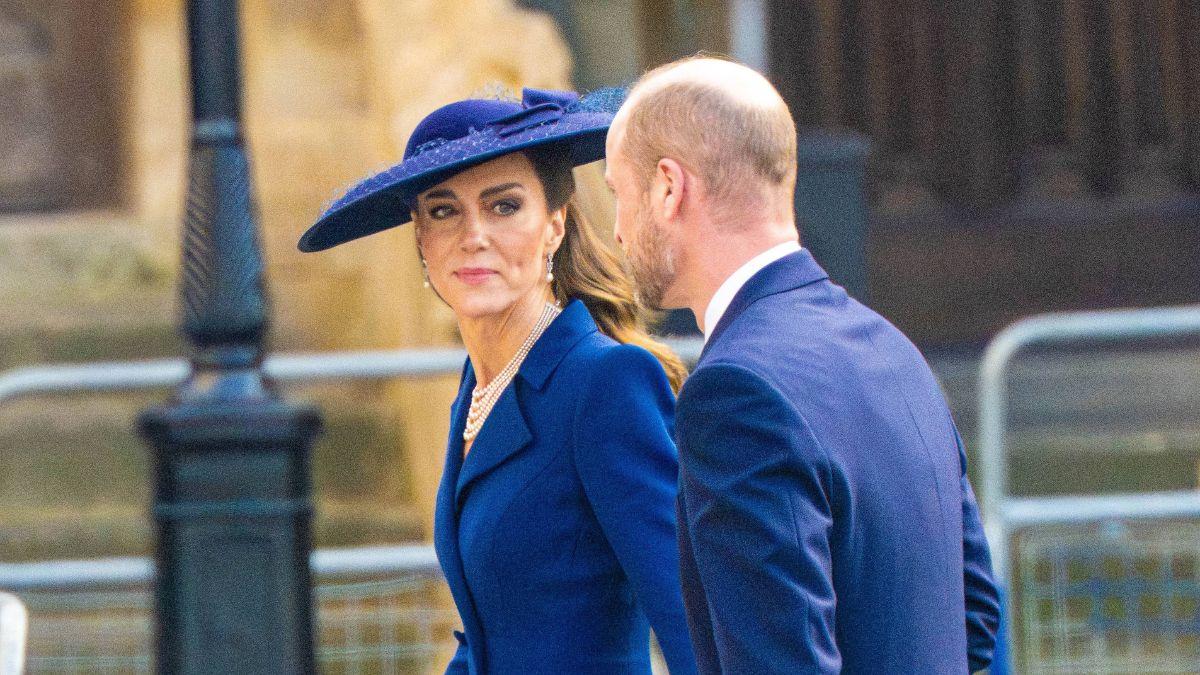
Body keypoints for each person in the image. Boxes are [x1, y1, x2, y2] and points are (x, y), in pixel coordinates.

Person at [605, 57, 1001, 674]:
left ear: (667, 188)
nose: (617, 231)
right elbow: (973, 620)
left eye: (617, 195)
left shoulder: (733, 391)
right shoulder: (892, 348)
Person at [299, 87, 697, 674]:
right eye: (444, 211)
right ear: (421, 239)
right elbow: (490, 637)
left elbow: (690, 619)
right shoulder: (478, 389)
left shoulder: (605, 382)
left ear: (555, 226)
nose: (473, 236)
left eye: (504, 206)